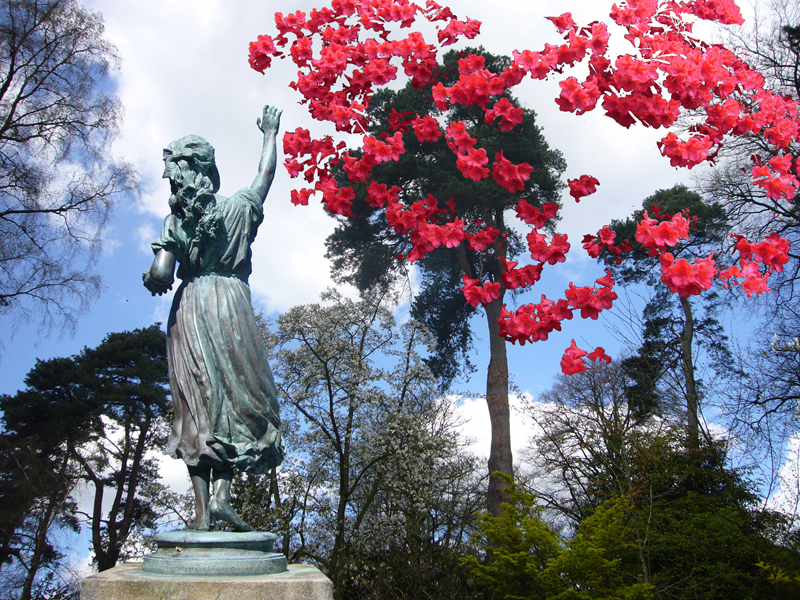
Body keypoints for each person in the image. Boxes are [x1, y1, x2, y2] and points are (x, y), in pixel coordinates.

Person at [143, 105, 284, 531]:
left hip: (191, 309)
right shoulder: (239, 207)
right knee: (235, 401)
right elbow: (265, 177)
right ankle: (222, 499)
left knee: (196, 405)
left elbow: (162, 275)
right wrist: (269, 134)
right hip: (232, 307)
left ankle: (203, 512)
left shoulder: (176, 220)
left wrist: (151, 276)